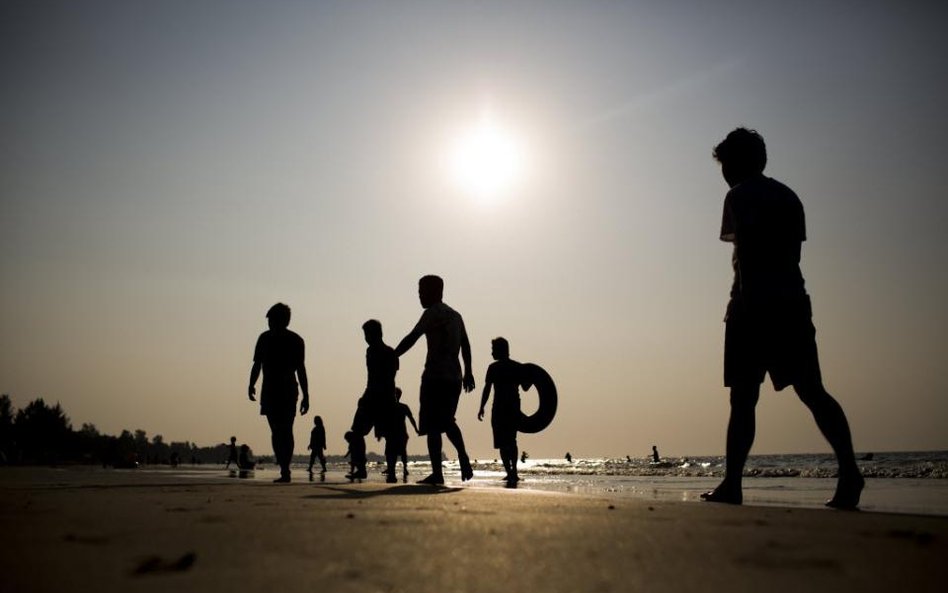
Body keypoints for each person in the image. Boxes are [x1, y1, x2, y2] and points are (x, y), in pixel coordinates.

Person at [701, 128, 863, 509]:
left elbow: (747, 257)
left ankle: (732, 484)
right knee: (813, 391)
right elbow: (793, 255)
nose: (723, 173)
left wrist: (742, 308)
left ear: (736, 163)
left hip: (751, 307)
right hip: (792, 301)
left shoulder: (738, 196)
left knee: (743, 400)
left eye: (725, 164)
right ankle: (850, 471)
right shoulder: (789, 196)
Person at [394, 275, 475, 485]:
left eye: (422, 291)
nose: (419, 296)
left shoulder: (431, 314)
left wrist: (393, 355)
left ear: (435, 292)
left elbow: (412, 337)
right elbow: (466, 345)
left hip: (434, 377)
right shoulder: (456, 316)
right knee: (447, 421)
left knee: (432, 427)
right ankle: (463, 455)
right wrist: (468, 372)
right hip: (454, 377)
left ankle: (437, 473)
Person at [248, 303, 310, 483]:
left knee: (283, 430)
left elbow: (301, 369)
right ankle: (284, 468)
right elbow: (257, 364)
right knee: (278, 430)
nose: (269, 323)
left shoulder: (294, 340)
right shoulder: (266, 338)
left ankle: (285, 468)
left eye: (272, 320)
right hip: (274, 388)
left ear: (283, 320)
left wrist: (306, 395)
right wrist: (251, 383)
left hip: (285, 388)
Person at [349, 319, 399, 481]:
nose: (366, 338)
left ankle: (368, 469)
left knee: (359, 433)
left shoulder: (374, 352)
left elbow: (378, 379)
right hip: (383, 397)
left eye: (367, 334)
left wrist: (367, 398)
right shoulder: (387, 352)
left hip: (377, 397)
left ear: (375, 334)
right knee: (387, 436)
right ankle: (389, 470)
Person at [478, 337, 523, 484]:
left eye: (493, 350)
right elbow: (526, 386)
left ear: (500, 350)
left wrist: (482, 406)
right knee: (511, 441)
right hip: (513, 407)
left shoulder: (493, 368)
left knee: (503, 443)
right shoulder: (517, 367)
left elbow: (487, 389)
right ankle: (513, 472)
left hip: (499, 408)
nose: (491, 353)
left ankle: (510, 472)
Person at [385, 387, 419, 482]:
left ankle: (402, 469)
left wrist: (416, 429)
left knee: (397, 452)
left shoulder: (401, 407)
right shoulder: (390, 406)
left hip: (400, 433)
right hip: (393, 433)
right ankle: (393, 469)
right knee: (391, 452)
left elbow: (411, 418)